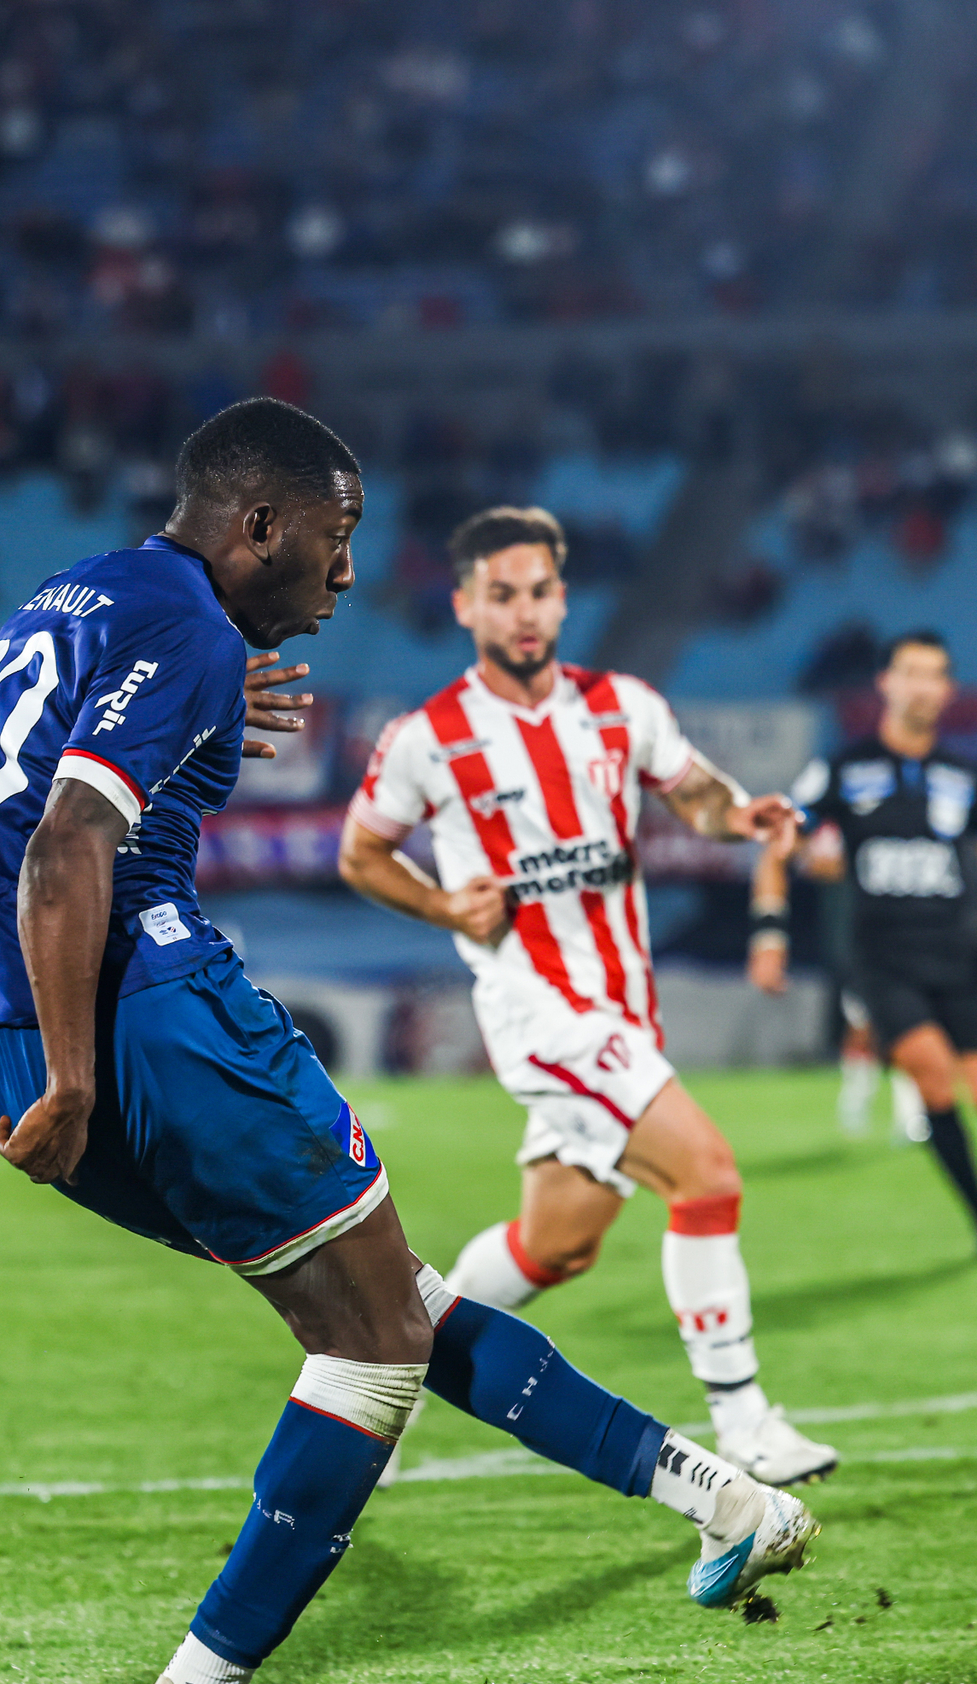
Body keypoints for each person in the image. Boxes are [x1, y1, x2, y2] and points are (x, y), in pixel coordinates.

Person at [0, 400, 820, 1684]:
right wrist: (77, 1073)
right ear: (259, 525)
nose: (347, 572)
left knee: (388, 1300)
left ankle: (712, 1496)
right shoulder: (186, 631)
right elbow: (67, 844)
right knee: (373, 1341)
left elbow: (22, 794)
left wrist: (203, 705)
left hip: (11, 1008)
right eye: (335, 537)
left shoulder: (86, 594)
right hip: (140, 1010)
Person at [339, 506, 838, 1487]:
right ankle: (746, 1425)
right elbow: (363, 853)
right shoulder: (428, 738)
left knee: (555, 1245)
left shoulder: (622, 707)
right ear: (465, 606)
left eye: (539, 592)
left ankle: (383, 1380)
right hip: (540, 1014)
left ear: (562, 599)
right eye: (502, 596)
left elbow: (694, 792)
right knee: (708, 1176)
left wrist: (743, 816)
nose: (524, 613)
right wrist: (442, 903)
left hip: (622, 1015)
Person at [748, 629, 977, 1257]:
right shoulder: (841, 768)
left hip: (956, 952)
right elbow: (781, 842)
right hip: (882, 957)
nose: (922, 686)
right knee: (933, 1078)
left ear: (948, 690)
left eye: (934, 674)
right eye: (910, 672)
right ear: (885, 683)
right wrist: (770, 934)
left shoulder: (966, 776)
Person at [754, 819, 928, 1144]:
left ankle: (912, 1114)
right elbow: (799, 859)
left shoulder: (892, 814)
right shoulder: (823, 816)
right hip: (852, 943)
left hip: (902, 937)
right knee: (862, 1026)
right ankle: (857, 1099)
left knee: (907, 1023)